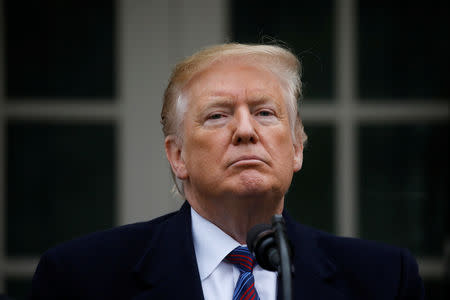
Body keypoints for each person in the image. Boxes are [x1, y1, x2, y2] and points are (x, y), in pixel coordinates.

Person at [30, 43, 424, 299]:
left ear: (297, 147)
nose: (246, 131)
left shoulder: (385, 281)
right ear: (177, 156)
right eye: (218, 116)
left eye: (265, 113)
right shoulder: (80, 279)